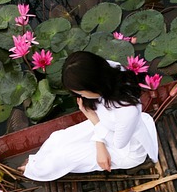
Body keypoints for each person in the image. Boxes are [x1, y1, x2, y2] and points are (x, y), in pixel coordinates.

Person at [21, 51, 159, 182]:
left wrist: (95, 127)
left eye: (82, 93)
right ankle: (38, 161)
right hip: (105, 126)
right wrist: (97, 134)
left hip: (126, 150)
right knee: (57, 138)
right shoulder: (109, 69)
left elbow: (119, 144)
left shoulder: (127, 111)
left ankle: (33, 169)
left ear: (94, 86)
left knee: (63, 156)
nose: (81, 97)